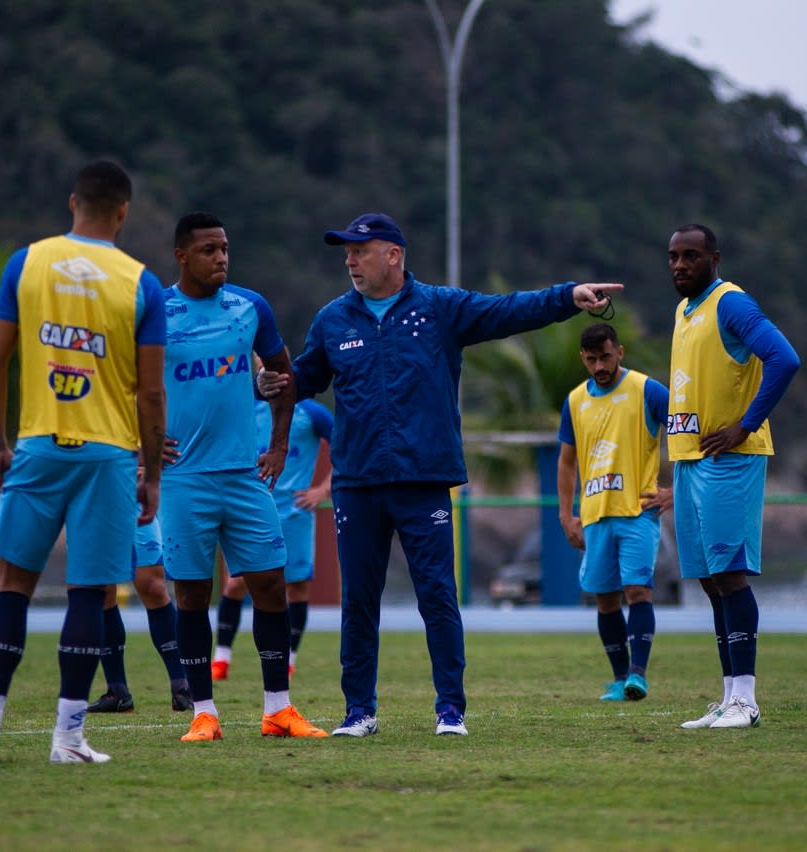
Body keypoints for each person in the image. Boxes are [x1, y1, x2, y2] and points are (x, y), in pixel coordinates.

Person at [259, 212, 623, 738]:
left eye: (360, 250)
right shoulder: (332, 319)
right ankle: (359, 712)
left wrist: (568, 296)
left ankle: (450, 711)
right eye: (346, 252)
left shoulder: (439, 308)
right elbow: (302, 380)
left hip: (423, 480)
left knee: (437, 595)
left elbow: (508, 311)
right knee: (359, 601)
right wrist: (267, 384)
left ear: (394, 256)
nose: (350, 260)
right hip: (357, 484)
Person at [0, 160, 166, 764]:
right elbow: (150, 393)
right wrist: (154, 472)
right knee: (89, 594)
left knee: (11, 587)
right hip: (109, 457)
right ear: (123, 211)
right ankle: (68, 741)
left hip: (39, 445)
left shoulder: (28, 262)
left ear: (74, 203)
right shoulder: (141, 282)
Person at [161, 211, 326, 741]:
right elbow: (126, 381)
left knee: (271, 585)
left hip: (244, 475)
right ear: (182, 255)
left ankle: (278, 708)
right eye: (209, 250)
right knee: (190, 593)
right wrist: (139, 442)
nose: (222, 258)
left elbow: (284, 375)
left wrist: (278, 445)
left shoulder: (250, 307)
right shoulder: (156, 311)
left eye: (226, 248)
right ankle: (203, 713)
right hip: (183, 477)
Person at [666, 224, 799, 730]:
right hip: (689, 458)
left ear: (714, 258)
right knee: (709, 579)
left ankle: (747, 699)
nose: (680, 265)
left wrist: (744, 426)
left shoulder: (731, 303)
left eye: (691, 256)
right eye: (674, 257)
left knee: (730, 574)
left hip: (730, 459)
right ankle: (727, 699)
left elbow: (784, 359)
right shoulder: (683, 310)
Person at [556, 323, 671, 704]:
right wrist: (566, 515)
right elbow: (566, 463)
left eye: (605, 357)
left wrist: (675, 492)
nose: (599, 366)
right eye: (591, 360)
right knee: (604, 600)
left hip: (637, 512)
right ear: (582, 360)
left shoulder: (646, 390)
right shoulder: (575, 401)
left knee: (637, 591)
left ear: (619, 352)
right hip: (594, 516)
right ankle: (620, 679)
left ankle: (639, 675)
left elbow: (688, 431)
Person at [212, 392, 333, 681]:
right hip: (252, 511)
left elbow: (347, 444)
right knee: (235, 583)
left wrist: (323, 489)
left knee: (297, 588)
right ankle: (221, 660)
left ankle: (288, 660)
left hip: (295, 513)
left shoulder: (311, 412)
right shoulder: (243, 407)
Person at [86, 502, 192, 714]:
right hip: (89, 498)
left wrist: (149, 471)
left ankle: (183, 688)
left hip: (132, 495)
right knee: (102, 589)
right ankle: (117, 692)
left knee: (152, 586)